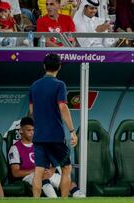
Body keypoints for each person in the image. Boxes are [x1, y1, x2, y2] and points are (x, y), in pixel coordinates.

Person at [29, 53, 78, 198]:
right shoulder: (59, 84)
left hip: (39, 136)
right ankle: (63, 200)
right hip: (55, 136)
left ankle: (35, 201)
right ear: (59, 67)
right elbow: (63, 107)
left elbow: (31, 111)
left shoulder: (34, 85)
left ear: (44, 66)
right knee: (66, 168)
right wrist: (72, 131)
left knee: (38, 170)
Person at [8, 117, 81, 197]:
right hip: (30, 176)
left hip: (46, 173)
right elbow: (15, 173)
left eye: (33, 130)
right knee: (42, 178)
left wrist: (52, 170)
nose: (32, 133)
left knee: (71, 184)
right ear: (21, 130)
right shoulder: (15, 148)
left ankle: (83, 199)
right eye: (29, 130)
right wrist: (36, 171)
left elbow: (51, 162)